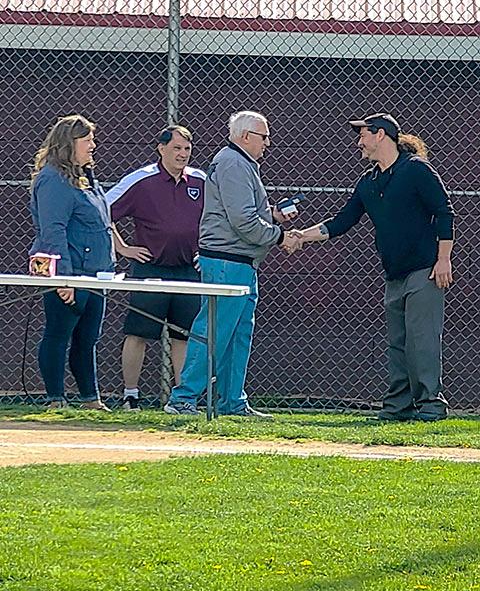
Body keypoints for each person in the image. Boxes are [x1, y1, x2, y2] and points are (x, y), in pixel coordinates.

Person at [296, 113, 454, 422]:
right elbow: (342, 222)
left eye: (363, 135)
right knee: (397, 344)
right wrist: (301, 237)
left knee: (422, 341)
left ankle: (431, 406)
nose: (359, 142)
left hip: (426, 270)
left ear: (381, 135)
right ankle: (398, 407)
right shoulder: (368, 182)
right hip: (394, 275)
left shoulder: (416, 170)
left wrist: (443, 258)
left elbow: (444, 212)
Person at [164, 110, 301, 417]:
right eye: (264, 137)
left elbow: (244, 214)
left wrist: (274, 217)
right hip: (228, 262)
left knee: (238, 334)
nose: (267, 143)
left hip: (241, 261)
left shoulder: (241, 164)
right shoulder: (233, 163)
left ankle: (232, 401)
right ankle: (183, 398)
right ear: (245, 136)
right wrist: (280, 236)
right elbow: (242, 221)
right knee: (215, 330)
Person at [106, 125, 205, 411]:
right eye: (176, 148)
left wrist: (206, 252)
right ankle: (130, 396)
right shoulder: (142, 180)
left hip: (188, 270)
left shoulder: (201, 181)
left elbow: (221, 217)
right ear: (161, 149)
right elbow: (101, 209)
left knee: (183, 335)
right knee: (138, 333)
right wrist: (122, 247)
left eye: (187, 149)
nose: (182, 154)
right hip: (150, 269)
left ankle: (182, 400)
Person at [30, 114, 115, 410]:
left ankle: (90, 398)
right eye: (87, 139)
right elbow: (54, 230)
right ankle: (56, 397)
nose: (93, 145)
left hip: (94, 273)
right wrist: (62, 277)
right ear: (70, 143)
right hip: (70, 271)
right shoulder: (53, 178)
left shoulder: (85, 176)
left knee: (87, 337)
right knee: (58, 332)